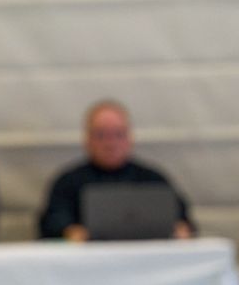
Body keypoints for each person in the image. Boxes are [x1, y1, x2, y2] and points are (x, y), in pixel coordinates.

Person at [38, 99, 194, 241]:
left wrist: (181, 229)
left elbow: (183, 221)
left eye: (118, 134)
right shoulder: (67, 182)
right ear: (87, 139)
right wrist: (69, 232)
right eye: (101, 135)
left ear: (130, 138)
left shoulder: (153, 180)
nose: (110, 143)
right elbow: (52, 223)